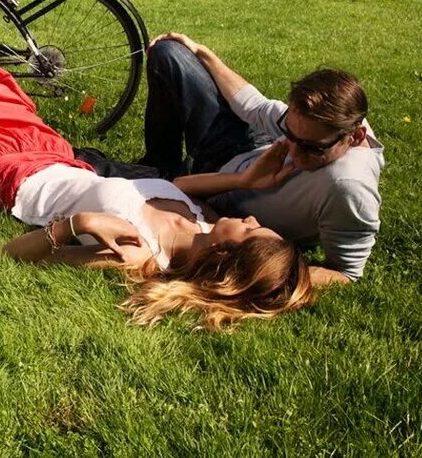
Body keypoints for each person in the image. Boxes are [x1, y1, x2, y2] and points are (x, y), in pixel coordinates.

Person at [0, 0, 313, 331]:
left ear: (228, 255)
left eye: (252, 231)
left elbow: (10, 255)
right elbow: (179, 186)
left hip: (12, 174)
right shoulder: (202, 220)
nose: (254, 219)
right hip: (58, 159)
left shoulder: (138, 252)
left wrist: (75, 225)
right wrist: (242, 181)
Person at [137, 32, 384, 287]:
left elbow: (346, 272)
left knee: (97, 169)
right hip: (241, 147)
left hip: (220, 193)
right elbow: (257, 107)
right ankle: (159, 165)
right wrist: (201, 52)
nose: (293, 152)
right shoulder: (334, 118)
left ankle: (157, 180)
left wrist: (255, 272)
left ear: (355, 137)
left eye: (311, 148)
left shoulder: (349, 187)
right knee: (169, 52)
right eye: (289, 134)